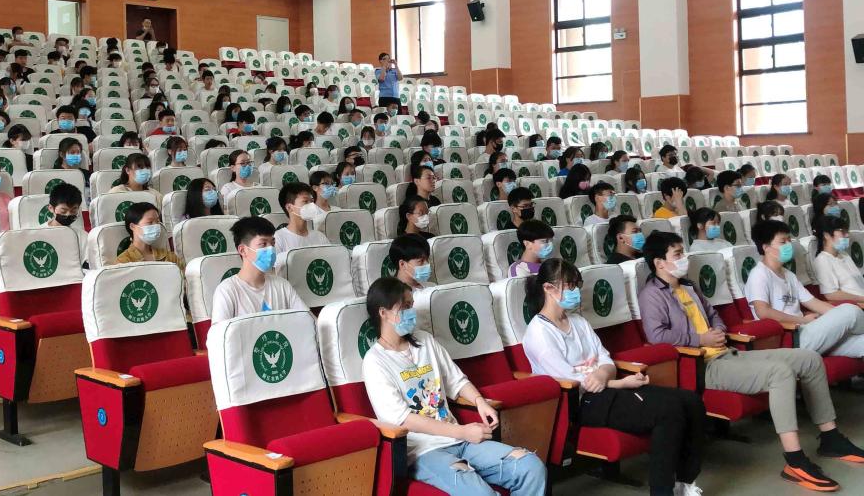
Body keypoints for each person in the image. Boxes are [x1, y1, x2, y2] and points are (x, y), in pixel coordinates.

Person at [640, 231, 863, 490]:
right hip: (702, 365)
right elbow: (657, 337)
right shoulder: (651, 295)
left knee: (809, 359)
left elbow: (713, 316)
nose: (684, 259)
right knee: (780, 373)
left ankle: (831, 438)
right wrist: (700, 339)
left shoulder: (689, 286)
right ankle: (794, 461)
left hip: (726, 352)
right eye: (677, 254)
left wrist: (718, 331)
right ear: (659, 263)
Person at [523, 258, 704, 496]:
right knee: (668, 411)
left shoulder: (578, 321)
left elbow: (605, 359)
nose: (575, 291)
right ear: (548, 288)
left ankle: (684, 482)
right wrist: (618, 382)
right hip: (580, 403)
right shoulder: (538, 332)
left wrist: (602, 373)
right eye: (569, 285)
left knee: (691, 401)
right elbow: (572, 380)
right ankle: (662, 491)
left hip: (607, 389)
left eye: (576, 285)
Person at [363, 277, 547, 496]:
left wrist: (479, 401)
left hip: (460, 439)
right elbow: (403, 419)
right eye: (405, 307)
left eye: (411, 305)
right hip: (423, 451)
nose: (411, 312)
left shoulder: (425, 341)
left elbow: (457, 381)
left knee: (531, 467)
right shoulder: (375, 362)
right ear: (383, 313)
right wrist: (462, 431)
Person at [746, 219, 864, 360]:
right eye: (783, 242)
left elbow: (814, 303)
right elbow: (763, 312)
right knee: (850, 311)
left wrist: (837, 315)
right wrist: (803, 320)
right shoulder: (759, 274)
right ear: (766, 247)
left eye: (789, 240)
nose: (789, 245)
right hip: (791, 338)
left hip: (809, 331)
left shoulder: (789, 275)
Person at [210, 216, 308, 322]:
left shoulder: (282, 285)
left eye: (273, 243)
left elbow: (308, 321)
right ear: (243, 250)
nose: (271, 249)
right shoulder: (227, 291)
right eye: (263, 244)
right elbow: (220, 332)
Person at [115, 202, 182, 270]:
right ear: (133, 226)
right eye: (150, 222)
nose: (156, 226)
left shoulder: (170, 257)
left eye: (157, 221)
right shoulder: (123, 262)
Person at [813, 215, 864, 302]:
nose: (847, 235)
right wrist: (862, 299)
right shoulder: (822, 260)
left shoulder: (844, 254)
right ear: (827, 235)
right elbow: (831, 295)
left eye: (847, 231)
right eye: (842, 232)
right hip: (855, 304)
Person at [274, 182, 329, 255]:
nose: (311, 205)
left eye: (312, 201)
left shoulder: (320, 237)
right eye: (305, 201)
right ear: (289, 207)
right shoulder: (278, 238)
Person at [46, 183, 87, 262]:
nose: (68, 214)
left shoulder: (82, 236)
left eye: (73, 211)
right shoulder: (37, 233)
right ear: (51, 208)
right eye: (63, 211)